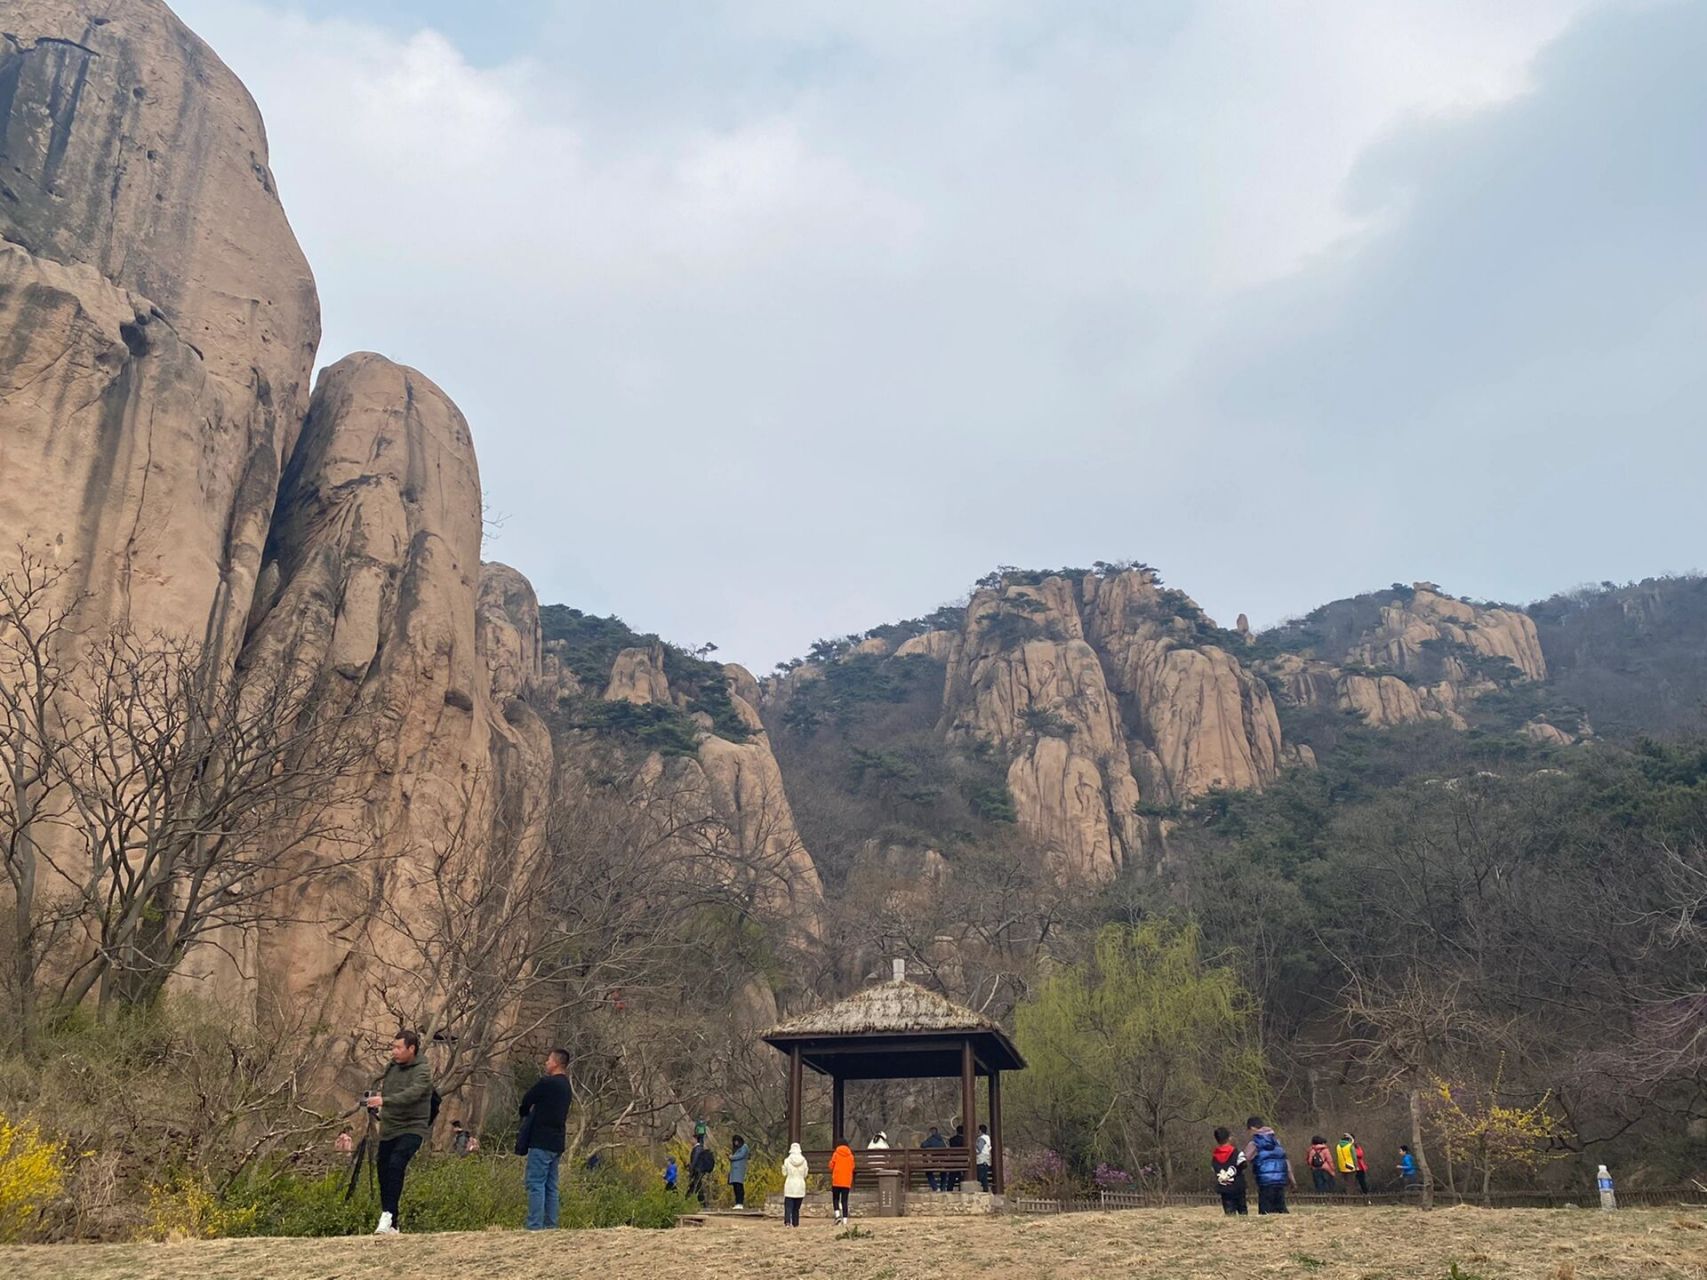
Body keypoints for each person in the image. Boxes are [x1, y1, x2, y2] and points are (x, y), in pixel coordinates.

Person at [366, 1029, 434, 1235]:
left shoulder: (423, 1070)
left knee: (397, 1162)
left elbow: (412, 1094)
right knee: (384, 1170)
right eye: (393, 1047)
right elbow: (387, 1090)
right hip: (389, 1127)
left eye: (398, 1048)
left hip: (412, 1126)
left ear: (411, 1049)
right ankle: (392, 1221)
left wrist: (386, 1101)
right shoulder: (392, 1067)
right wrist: (377, 1101)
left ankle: (387, 1215)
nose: (394, 1052)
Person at [517, 1047, 572, 1230]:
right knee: (551, 1185)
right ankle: (551, 1224)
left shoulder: (547, 1083)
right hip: (557, 1141)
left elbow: (527, 1100)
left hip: (541, 1140)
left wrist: (525, 1113)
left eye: (548, 1060)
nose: (546, 1063)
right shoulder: (566, 1086)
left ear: (556, 1062)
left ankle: (534, 1225)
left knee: (535, 1183)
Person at [1242, 1116, 1294, 1215]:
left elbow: (1245, 1158)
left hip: (1265, 1181)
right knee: (1281, 1208)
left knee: (1265, 1211)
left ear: (1252, 1128)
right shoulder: (1276, 1141)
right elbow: (1286, 1160)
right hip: (1280, 1180)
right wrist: (1291, 1179)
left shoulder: (1254, 1143)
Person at [1211, 1126, 1248, 1215]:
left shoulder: (1215, 1157)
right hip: (1238, 1186)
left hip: (1224, 1188)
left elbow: (1214, 1169)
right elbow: (1244, 1164)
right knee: (1242, 1210)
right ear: (1229, 1138)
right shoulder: (1237, 1153)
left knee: (1229, 1211)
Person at [781, 1143, 809, 1227]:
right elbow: (805, 1174)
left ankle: (787, 1222)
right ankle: (795, 1223)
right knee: (796, 1208)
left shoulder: (787, 1160)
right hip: (800, 1185)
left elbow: (784, 1173)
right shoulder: (804, 1161)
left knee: (788, 1206)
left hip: (790, 1184)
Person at [830, 1142, 856, 1223]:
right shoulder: (851, 1156)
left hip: (836, 1181)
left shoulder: (836, 1154)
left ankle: (837, 1215)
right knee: (844, 1200)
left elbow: (831, 1166)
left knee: (835, 1198)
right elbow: (853, 1167)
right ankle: (845, 1219)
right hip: (846, 1181)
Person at [688, 1132, 716, 1205]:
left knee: (695, 1185)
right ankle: (702, 1203)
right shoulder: (699, 1148)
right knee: (697, 1186)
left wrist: (691, 1169)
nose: (690, 1140)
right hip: (698, 1170)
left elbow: (694, 1160)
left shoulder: (697, 1149)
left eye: (692, 1139)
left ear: (695, 1139)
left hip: (698, 1170)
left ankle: (687, 1200)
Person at [921, 1125, 948, 1191]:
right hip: (943, 1162)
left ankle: (935, 1187)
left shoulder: (930, 1140)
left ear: (932, 1132)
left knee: (928, 1172)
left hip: (935, 1162)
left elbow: (923, 1145)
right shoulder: (942, 1140)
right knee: (944, 1172)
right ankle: (943, 1188)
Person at [728, 1135, 751, 1209]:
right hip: (734, 1170)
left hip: (739, 1169)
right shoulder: (736, 1149)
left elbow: (741, 1155)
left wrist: (732, 1157)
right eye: (734, 1141)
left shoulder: (744, 1147)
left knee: (739, 1186)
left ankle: (740, 1202)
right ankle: (737, 1202)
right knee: (735, 1186)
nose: (735, 1143)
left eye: (737, 1141)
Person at [947, 1123, 966, 1191]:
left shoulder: (952, 1139)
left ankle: (949, 1188)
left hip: (954, 1160)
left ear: (957, 1131)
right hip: (963, 1161)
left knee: (952, 1175)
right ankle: (962, 1189)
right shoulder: (966, 1140)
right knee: (963, 1174)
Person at [975, 1123, 993, 1192]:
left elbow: (979, 1149)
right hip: (986, 1159)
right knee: (984, 1176)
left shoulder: (981, 1139)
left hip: (981, 1159)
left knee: (980, 1176)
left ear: (980, 1131)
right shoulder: (988, 1138)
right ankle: (985, 1189)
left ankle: (982, 1189)